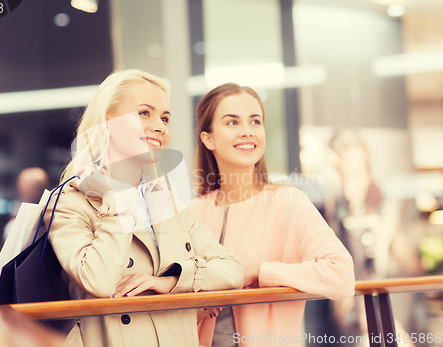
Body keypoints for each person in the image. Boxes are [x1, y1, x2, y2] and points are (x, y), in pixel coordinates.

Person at [43, 69, 244, 347]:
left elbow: (232, 270)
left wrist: (171, 280)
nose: (160, 126)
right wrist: (119, 198)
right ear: (107, 121)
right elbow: (98, 280)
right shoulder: (70, 202)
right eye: (144, 113)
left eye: (164, 118)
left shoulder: (164, 200)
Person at [189, 83, 355, 347]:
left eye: (255, 121)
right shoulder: (193, 213)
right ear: (208, 138)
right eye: (232, 122)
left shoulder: (287, 202)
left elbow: (341, 275)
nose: (247, 131)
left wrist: (259, 272)